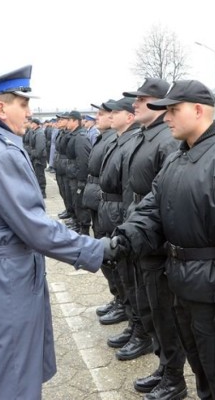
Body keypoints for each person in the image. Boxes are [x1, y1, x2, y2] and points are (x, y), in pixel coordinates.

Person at [0, 65, 115, 399]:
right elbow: (37, 229)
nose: (30, 111)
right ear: (0, 108)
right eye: (22, 104)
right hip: (3, 279)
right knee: (10, 373)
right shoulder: (2, 154)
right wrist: (96, 249)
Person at [115, 80, 215, 400]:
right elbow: (151, 211)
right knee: (204, 377)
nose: (167, 118)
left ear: (199, 110)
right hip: (185, 290)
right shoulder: (179, 159)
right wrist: (120, 243)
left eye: (174, 110)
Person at [122, 78, 186, 399]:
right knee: (152, 308)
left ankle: (175, 377)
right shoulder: (147, 136)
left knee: (164, 311)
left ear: (159, 103)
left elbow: (169, 199)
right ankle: (164, 365)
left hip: (158, 242)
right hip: (143, 234)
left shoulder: (167, 140)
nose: (135, 103)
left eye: (141, 98)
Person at [98, 97, 151, 362]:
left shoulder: (135, 141)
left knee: (134, 278)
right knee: (124, 275)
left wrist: (127, 221)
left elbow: (131, 187)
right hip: (115, 210)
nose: (106, 116)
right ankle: (133, 322)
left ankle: (141, 330)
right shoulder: (120, 139)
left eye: (113, 112)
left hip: (126, 212)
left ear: (128, 117)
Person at [83, 100, 124, 322]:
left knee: (113, 257)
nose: (97, 117)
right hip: (101, 202)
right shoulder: (104, 138)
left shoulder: (112, 140)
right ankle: (117, 297)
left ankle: (122, 302)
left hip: (109, 204)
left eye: (102, 114)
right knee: (105, 256)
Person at [64, 111, 92, 234]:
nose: (67, 122)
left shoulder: (80, 137)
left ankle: (84, 229)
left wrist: (81, 179)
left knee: (80, 204)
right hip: (73, 175)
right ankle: (79, 225)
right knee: (76, 203)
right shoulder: (74, 134)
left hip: (77, 177)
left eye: (69, 120)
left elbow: (83, 160)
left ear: (75, 121)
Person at [28, 118, 47, 198]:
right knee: (37, 175)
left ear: (35, 124)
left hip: (39, 159)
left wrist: (33, 154)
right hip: (35, 158)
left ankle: (42, 192)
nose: (31, 125)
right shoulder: (35, 132)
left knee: (40, 175)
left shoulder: (39, 133)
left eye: (32, 123)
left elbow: (40, 148)